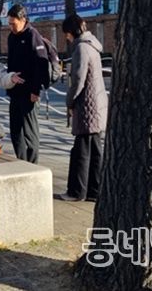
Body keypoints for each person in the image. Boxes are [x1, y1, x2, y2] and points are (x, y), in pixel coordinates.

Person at [57, 15, 107, 202]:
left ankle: (76, 191)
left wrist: (69, 102)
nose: (67, 38)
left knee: (81, 152)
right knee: (95, 150)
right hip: (97, 105)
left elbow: (78, 80)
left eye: (66, 34)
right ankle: (95, 190)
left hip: (87, 106)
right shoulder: (93, 45)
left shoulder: (81, 48)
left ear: (71, 32)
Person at [6, 4, 49, 163]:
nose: (11, 27)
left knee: (30, 133)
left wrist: (36, 90)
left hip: (29, 92)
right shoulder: (11, 37)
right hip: (15, 91)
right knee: (15, 131)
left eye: (14, 24)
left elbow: (41, 64)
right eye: (9, 24)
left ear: (23, 20)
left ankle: (32, 165)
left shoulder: (32, 35)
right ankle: (21, 162)